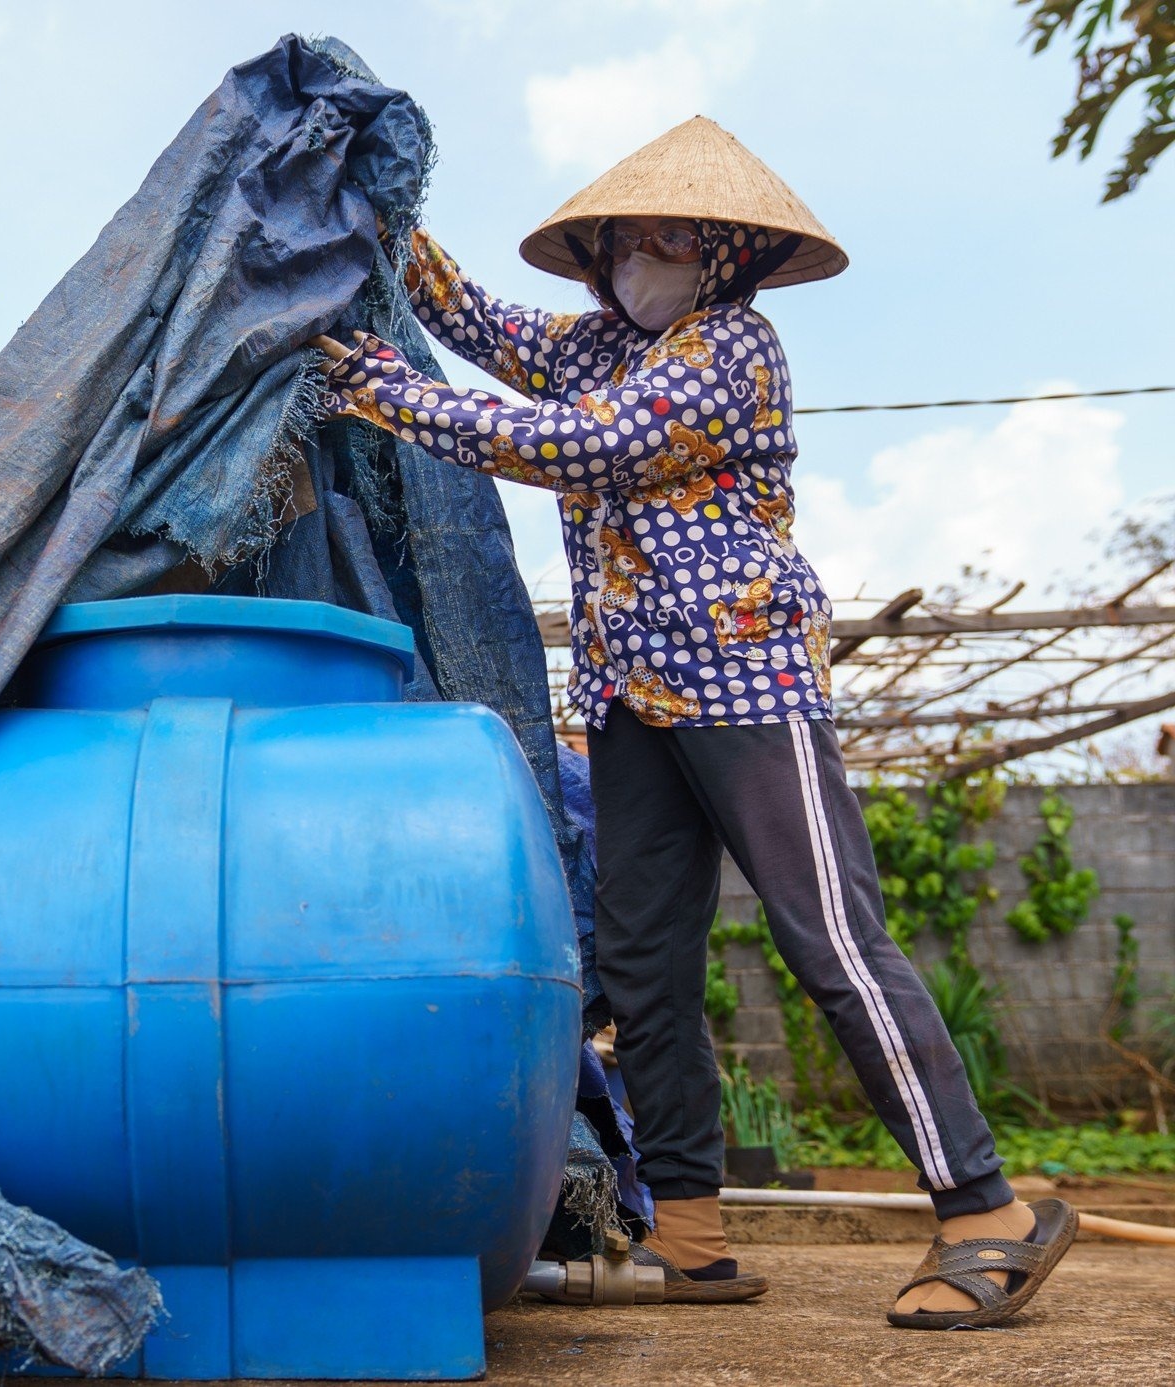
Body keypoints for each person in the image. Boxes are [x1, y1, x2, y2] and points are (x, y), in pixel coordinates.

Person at [314, 116, 1076, 1328]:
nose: (640, 259)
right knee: (642, 966)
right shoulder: (601, 344)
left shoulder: (732, 352)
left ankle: (983, 1206)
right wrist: (378, 212)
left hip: (745, 683)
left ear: (726, 255)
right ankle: (690, 1227)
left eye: (669, 240)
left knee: (828, 936)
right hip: (628, 695)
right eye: (623, 240)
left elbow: (585, 449)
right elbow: (476, 324)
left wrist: (387, 396)